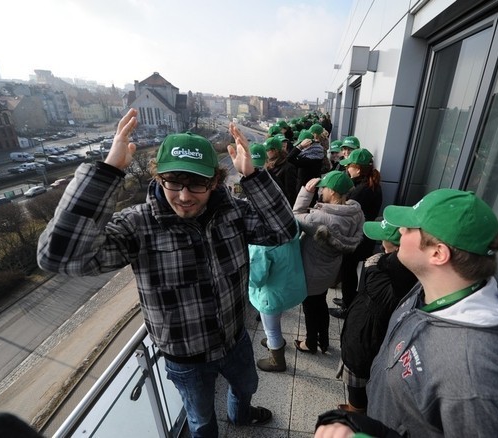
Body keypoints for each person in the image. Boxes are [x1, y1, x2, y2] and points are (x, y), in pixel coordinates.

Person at [37, 108, 297, 438]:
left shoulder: (231, 213)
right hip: (185, 358)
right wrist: (105, 174)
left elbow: (285, 231)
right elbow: (58, 257)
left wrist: (254, 178)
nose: (185, 196)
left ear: (215, 181)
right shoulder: (138, 225)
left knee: (246, 387)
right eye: (173, 182)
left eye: (197, 184)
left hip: (235, 340)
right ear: (157, 177)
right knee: (201, 422)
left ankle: (241, 416)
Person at [315, 189, 498, 437]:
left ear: (438, 254)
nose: (401, 231)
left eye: (410, 228)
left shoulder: (475, 375)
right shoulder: (430, 287)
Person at [336, 219, 417, 414]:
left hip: (364, 345)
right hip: (368, 340)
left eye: (384, 240)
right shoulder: (401, 272)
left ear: (399, 247)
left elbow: (373, 280)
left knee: (357, 386)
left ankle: (357, 413)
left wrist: (375, 263)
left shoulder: (382, 277)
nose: (380, 245)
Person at [248, 145, 307, 372]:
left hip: (270, 294)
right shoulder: (289, 224)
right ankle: (275, 343)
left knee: (271, 327)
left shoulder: (262, 243)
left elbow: (257, 279)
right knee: (276, 319)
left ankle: (277, 359)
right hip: (287, 286)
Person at [293, 171, 364, 354]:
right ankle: (323, 341)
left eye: (323, 188)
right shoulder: (355, 213)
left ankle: (310, 343)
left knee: (310, 307)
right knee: (321, 303)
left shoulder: (320, 219)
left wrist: (306, 193)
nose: (321, 190)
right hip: (330, 270)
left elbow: (296, 215)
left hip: (312, 272)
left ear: (332, 192)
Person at [331, 148, 383, 318]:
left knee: (348, 270)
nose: (347, 169)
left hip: (357, 238)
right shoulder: (370, 184)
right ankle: (349, 298)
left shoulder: (361, 190)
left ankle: (347, 307)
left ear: (358, 169)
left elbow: (347, 214)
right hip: (364, 237)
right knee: (350, 270)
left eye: (350, 167)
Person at [287, 128, 325, 195]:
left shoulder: (310, 159)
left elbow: (289, 159)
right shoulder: (317, 153)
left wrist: (300, 147)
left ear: (308, 144)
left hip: (305, 191)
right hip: (311, 190)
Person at [264, 136, 297, 205]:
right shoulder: (267, 164)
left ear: (274, 151)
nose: (265, 153)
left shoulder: (288, 168)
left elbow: (290, 193)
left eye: (267, 150)